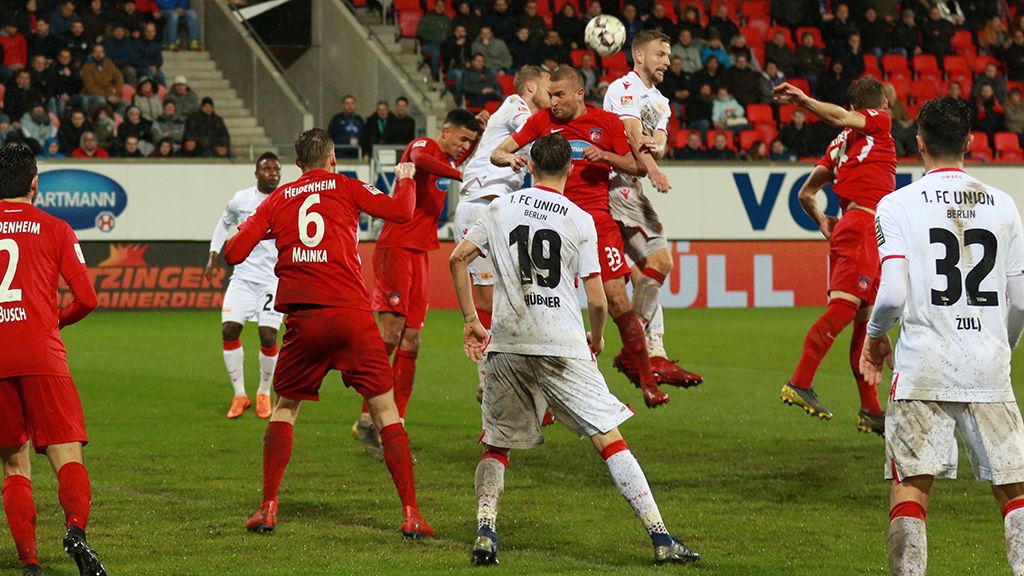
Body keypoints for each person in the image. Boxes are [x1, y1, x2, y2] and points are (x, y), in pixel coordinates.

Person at [449, 134, 701, 567]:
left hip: (507, 341)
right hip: (561, 342)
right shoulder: (580, 218)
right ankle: (661, 537)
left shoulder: (498, 208)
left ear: (529, 166)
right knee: (609, 439)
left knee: (496, 445)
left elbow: (458, 258)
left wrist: (472, 320)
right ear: (569, 169)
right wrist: (598, 338)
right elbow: (599, 299)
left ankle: (486, 531)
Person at [223, 128, 434, 538]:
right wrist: (406, 177)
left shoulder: (277, 200)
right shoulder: (347, 186)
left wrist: (265, 228)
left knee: (285, 408)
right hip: (352, 315)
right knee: (385, 411)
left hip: (305, 321)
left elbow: (233, 253)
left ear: (297, 164)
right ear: (333, 158)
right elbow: (403, 212)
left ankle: (267, 508)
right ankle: (410, 514)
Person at [860, 96, 1024, 576]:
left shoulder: (895, 204)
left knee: (911, 487)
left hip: (922, 364)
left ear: (919, 144)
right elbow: (1020, 301)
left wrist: (874, 337)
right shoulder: (1003, 204)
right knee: (1014, 491)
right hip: (988, 365)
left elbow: (891, 294)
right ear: (970, 143)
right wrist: (1002, 348)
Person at [491, 66, 669, 408]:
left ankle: (647, 382)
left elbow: (636, 166)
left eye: (559, 95)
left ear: (579, 94)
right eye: (550, 95)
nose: (552, 102)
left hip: (596, 223)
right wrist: (509, 158)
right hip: (549, 221)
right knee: (545, 309)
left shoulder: (607, 123)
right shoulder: (542, 121)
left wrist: (605, 156)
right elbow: (499, 151)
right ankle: (539, 398)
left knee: (617, 299)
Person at [0, 144, 105, 576]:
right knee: (67, 457)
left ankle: (29, 562)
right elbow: (88, 299)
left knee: (13, 463)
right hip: (43, 352)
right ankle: (76, 530)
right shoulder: (56, 228)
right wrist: (54, 322)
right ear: (34, 183)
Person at [352, 110, 482, 458]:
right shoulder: (425, 146)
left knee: (412, 339)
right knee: (390, 336)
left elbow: (466, 151)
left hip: (421, 252)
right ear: (445, 131)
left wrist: (478, 134)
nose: (465, 147)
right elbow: (422, 158)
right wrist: (458, 173)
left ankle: (397, 421)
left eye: (470, 142)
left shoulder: (452, 153)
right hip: (396, 246)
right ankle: (368, 419)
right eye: (462, 139)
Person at [774, 77, 895, 434]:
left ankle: (871, 410)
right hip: (861, 226)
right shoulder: (877, 123)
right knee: (844, 310)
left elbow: (805, 193)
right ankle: (800, 381)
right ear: (880, 105)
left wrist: (824, 222)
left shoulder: (841, 144)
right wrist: (805, 102)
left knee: (867, 323)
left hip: (855, 226)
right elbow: (843, 117)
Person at [603, 30, 703, 389]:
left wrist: (656, 152)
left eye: (669, 54)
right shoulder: (623, 88)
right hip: (615, 185)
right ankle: (638, 349)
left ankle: (652, 350)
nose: (667, 61)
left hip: (631, 184)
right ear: (640, 56)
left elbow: (657, 141)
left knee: (648, 274)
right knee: (660, 263)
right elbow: (631, 134)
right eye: (661, 54)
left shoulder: (662, 102)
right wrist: (655, 168)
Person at [453, 65, 550, 401]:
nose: (552, 95)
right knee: (490, 299)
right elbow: (542, 137)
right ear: (531, 87)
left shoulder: (511, 114)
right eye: (549, 87)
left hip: (497, 208)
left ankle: (504, 376)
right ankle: (490, 377)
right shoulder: (517, 107)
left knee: (515, 294)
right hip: (481, 204)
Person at [205, 153, 283, 420]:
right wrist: (214, 251)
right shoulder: (241, 199)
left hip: (273, 278)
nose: (273, 173)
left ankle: (263, 392)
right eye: (267, 168)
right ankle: (240, 394)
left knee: (268, 336)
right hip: (243, 277)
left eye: (276, 169)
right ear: (256, 173)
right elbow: (224, 221)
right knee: (229, 330)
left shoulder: (286, 199)